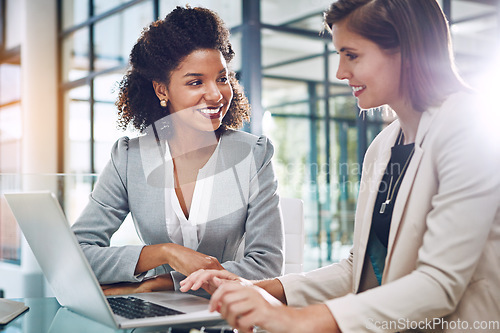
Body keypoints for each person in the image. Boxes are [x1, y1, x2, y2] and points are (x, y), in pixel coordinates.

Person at [179, 0, 500, 332]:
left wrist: (297, 320)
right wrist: (254, 290)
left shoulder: (470, 126)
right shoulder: (384, 145)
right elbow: (357, 271)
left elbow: (438, 284)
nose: (340, 72)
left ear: (407, 50)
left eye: (352, 55)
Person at [71, 6, 284, 296]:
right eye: (196, 82)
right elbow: (77, 253)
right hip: (153, 315)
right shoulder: (129, 158)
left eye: (221, 78)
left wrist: (162, 283)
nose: (215, 94)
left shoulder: (254, 155)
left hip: (225, 314)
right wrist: (164, 253)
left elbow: (266, 266)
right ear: (162, 91)